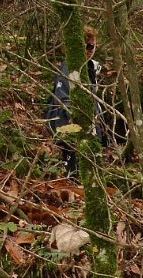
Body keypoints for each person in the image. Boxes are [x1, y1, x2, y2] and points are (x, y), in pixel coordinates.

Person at [44, 27, 105, 177]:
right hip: (70, 130)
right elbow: (63, 98)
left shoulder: (89, 68)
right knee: (73, 171)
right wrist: (77, 122)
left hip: (85, 130)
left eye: (91, 46)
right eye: (83, 46)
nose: (88, 50)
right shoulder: (69, 68)